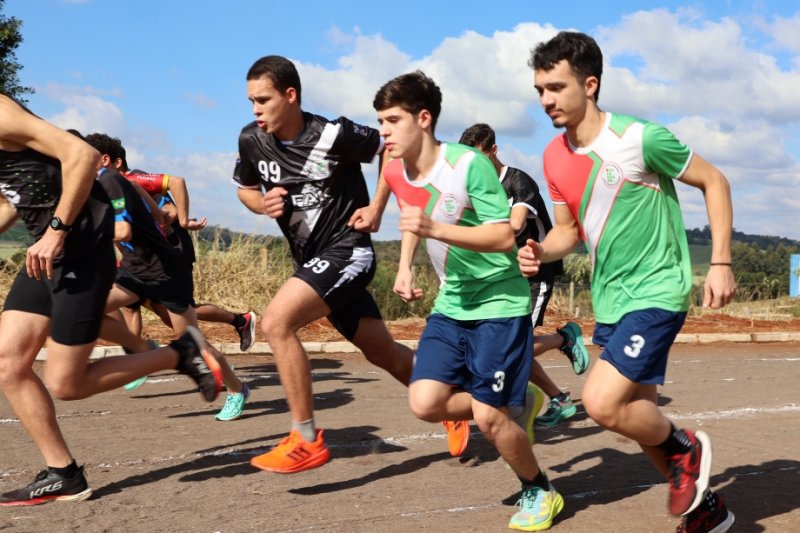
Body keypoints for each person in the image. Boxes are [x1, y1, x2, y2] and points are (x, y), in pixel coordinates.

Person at [519, 31, 736, 532]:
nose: (546, 100)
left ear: (590, 84)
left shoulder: (641, 138)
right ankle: (707, 513)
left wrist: (721, 261)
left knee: (601, 402)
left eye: (556, 87)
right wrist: (540, 250)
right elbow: (568, 232)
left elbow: (715, 181)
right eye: (540, 90)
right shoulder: (553, 156)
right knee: (637, 414)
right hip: (611, 300)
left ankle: (686, 448)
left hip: (657, 291)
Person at [233, 55, 468, 473]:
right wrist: (261, 203)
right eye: (251, 101)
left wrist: (377, 206)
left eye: (263, 100)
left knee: (276, 323)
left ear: (291, 95)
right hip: (311, 262)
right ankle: (454, 401)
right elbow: (246, 189)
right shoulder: (252, 139)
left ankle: (305, 438)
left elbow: (388, 150)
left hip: (348, 252)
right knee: (382, 353)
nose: (255, 110)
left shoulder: (333, 134)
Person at [0, 95, 221, 506]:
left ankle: (180, 353)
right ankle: (63, 475)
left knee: (66, 384)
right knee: (8, 363)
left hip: (80, 252)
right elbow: (11, 199)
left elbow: (82, 155)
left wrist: (56, 231)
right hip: (44, 257)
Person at [374, 71, 563, 532]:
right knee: (425, 402)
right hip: (452, 303)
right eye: (380, 121)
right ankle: (523, 397)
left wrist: (435, 229)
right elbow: (412, 216)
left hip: (500, 301)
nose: (384, 131)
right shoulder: (395, 168)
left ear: (423, 119)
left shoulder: (467, 165)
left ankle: (540, 489)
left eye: (392, 121)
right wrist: (404, 266)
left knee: (488, 417)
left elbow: (502, 237)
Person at [84, 133, 249, 422]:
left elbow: (134, 222)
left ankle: (237, 389)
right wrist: (159, 215)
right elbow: (152, 207)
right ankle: (141, 348)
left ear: (104, 160)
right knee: (89, 308)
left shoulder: (119, 181)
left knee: (193, 342)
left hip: (165, 271)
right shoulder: (100, 187)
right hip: (134, 269)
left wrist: (178, 219)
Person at [459, 123, 590, 428]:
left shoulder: (519, 181)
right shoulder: (474, 188)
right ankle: (558, 398)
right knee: (505, 346)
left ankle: (564, 339)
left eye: (479, 158)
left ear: (494, 150)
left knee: (513, 346)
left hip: (535, 274)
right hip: (502, 279)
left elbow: (516, 224)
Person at [115, 148, 258, 354]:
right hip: (144, 261)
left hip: (172, 252)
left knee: (179, 312)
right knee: (135, 307)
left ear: (116, 162)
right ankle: (137, 357)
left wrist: (163, 224)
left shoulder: (136, 179)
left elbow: (171, 209)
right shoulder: (111, 190)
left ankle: (233, 327)